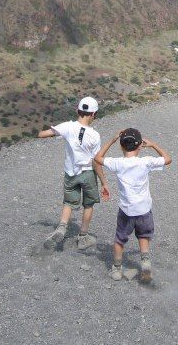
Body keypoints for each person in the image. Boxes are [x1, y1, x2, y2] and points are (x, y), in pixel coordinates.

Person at [93, 128, 172, 283]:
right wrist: (154, 145)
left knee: (119, 240)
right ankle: (146, 265)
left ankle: (116, 270)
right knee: (143, 236)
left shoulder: (118, 163)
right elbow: (167, 159)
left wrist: (112, 139)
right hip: (144, 210)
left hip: (126, 210)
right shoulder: (146, 161)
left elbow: (98, 158)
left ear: (122, 146)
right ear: (140, 145)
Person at [37, 96, 110, 251]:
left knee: (68, 202)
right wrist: (104, 182)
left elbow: (43, 134)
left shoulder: (67, 127)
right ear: (93, 114)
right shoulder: (95, 136)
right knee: (88, 204)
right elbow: (96, 161)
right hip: (88, 173)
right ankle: (83, 237)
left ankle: (62, 227)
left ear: (77, 111)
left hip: (71, 173)